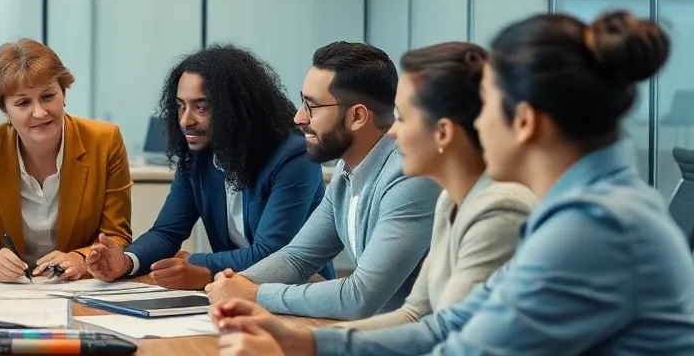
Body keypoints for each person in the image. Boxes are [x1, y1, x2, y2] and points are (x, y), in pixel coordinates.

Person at [213, 11, 694, 356]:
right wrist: (305, 345)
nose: (471, 121)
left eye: (484, 104)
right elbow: (448, 326)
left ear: (525, 121)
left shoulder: (592, 227)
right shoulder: (585, 209)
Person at [204, 42, 440, 318]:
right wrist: (239, 282)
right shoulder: (346, 170)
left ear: (357, 117)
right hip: (383, 339)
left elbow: (360, 296)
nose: (298, 117)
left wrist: (254, 294)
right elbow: (298, 257)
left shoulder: (411, 175)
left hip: (431, 349)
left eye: (311, 106)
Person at [86, 45, 328, 290]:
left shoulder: (294, 155)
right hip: (230, 290)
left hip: (300, 293)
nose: (185, 120)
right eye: (181, 105)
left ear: (237, 108)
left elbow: (271, 254)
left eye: (201, 107)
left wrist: (195, 262)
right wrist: (127, 260)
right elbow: (167, 232)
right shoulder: (197, 155)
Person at [338, 42, 534, 333]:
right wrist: (308, 341)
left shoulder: (501, 209)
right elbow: (416, 313)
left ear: (443, 132)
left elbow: (448, 341)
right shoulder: (448, 201)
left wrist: (312, 353)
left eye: (402, 118)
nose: (392, 131)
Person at [0, 39, 133, 281]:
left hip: (78, 288)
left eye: (48, 96)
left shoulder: (105, 141)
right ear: (4, 110)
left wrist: (80, 258)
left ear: (63, 92)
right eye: (23, 103)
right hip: (8, 293)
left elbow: (116, 235)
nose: (39, 112)